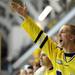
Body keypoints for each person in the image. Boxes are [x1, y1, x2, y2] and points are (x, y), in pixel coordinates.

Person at [11, 1, 75, 75]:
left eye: (62, 32)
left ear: (71, 37)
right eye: (59, 32)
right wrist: (25, 17)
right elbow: (39, 36)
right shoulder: (55, 53)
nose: (59, 34)